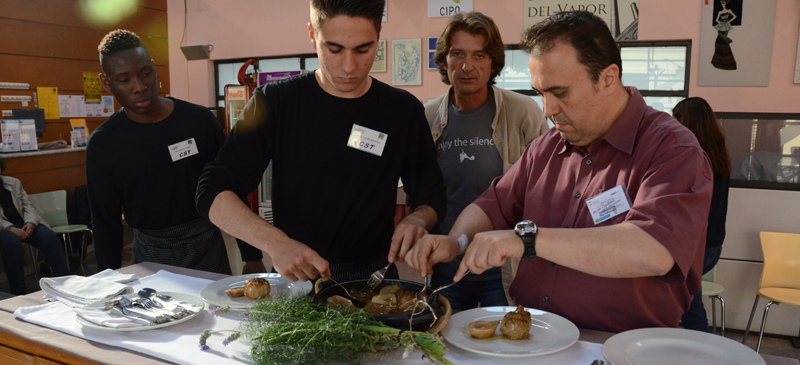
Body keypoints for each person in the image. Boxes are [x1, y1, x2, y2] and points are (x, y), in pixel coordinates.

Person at [405, 11, 714, 333]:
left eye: (559, 93)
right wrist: (457, 241)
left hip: (619, 344)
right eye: (540, 93)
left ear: (608, 78)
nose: (548, 111)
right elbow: (493, 203)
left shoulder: (673, 150)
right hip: (539, 335)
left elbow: (651, 250)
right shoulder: (548, 147)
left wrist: (526, 240)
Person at [196, 0, 446, 282]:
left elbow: (431, 194)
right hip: (297, 279)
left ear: (378, 39)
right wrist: (274, 243)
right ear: (313, 35)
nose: (349, 66)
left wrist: (417, 219)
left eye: (363, 49)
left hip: (374, 279)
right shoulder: (277, 102)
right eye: (334, 49)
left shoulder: (402, 110)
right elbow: (213, 190)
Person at [424, 11, 548, 311]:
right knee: (445, 347)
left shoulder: (522, 111)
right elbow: (423, 190)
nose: (468, 66)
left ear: (493, 62)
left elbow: (545, 187)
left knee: (510, 349)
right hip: (447, 263)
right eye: (457, 54)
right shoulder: (427, 116)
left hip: (505, 265)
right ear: (444, 60)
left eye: (479, 55)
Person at [87, 29, 232, 274]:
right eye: (124, 80)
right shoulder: (104, 143)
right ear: (106, 82)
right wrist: (108, 282)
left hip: (207, 247)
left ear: (154, 68)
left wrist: (251, 255)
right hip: (150, 256)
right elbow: (105, 222)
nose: (140, 87)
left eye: (146, 74)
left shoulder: (198, 121)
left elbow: (230, 188)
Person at [672, 97, 730, 333]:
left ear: (689, 123)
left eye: (678, 120)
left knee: (691, 310)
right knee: (689, 304)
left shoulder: (693, 157)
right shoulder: (719, 155)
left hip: (696, 247)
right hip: (713, 246)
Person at [0, 159, 69, 295]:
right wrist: (11, 229)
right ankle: (18, 290)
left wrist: (31, 223)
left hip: (25, 223)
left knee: (49, 238)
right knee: (12, 245)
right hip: (4, 228)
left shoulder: (13, 182)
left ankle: (64, 282)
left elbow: (28, 206)